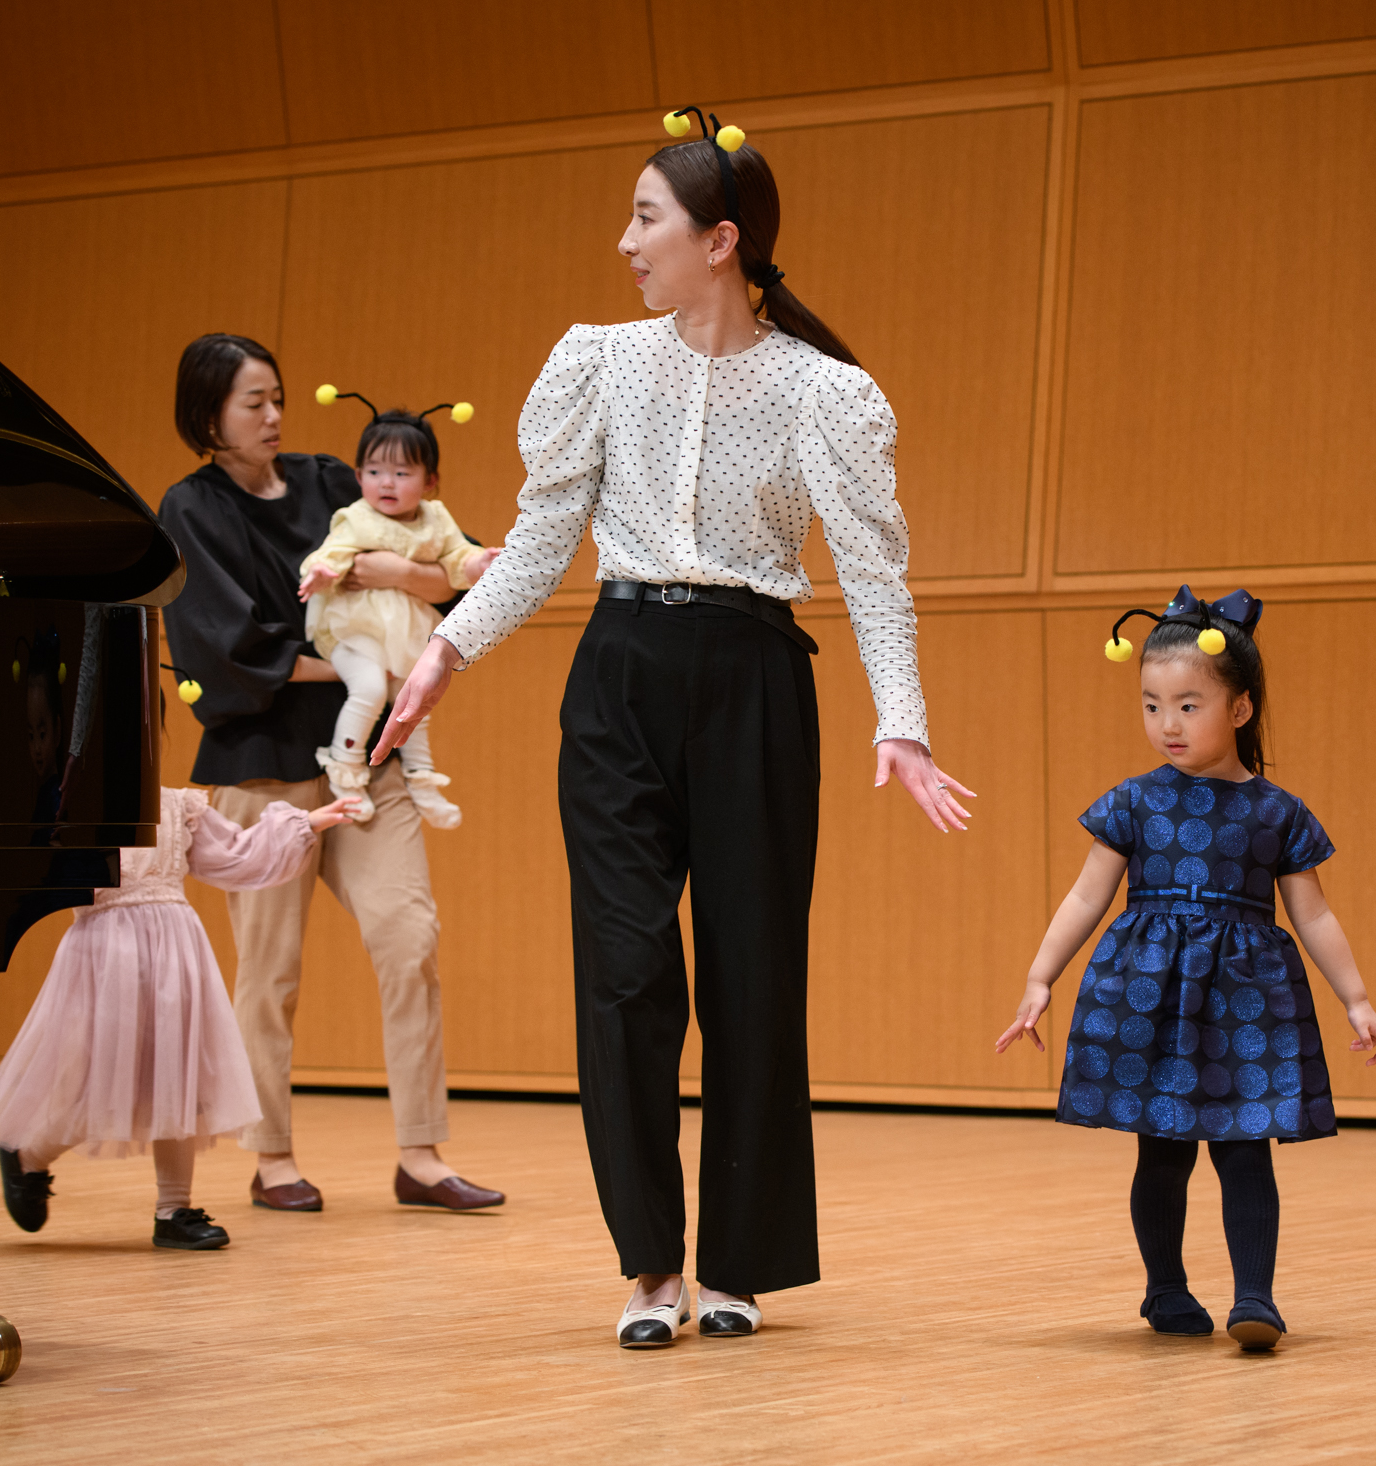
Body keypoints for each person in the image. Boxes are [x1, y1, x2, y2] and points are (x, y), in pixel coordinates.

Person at [374, 107, 973, 1348]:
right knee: (629, 968)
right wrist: (444, 649)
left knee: (751, 978)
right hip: (620, 676)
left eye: (645, 216)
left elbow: (872, 571)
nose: (624, 240)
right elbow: (543, 537)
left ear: (721, 240)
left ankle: (737, 1264)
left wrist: (899, 721)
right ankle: (650, 1264)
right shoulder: (596, 360)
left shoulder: (826, 392)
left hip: (755, 678)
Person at [995, 586, 1376, 1351]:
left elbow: (1313, 912)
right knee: (1162, 1147)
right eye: (1153, 705)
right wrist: (1038, 977)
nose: (1168, 724)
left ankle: (1256, 1295)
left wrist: (1357, 998)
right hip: (1149, 992)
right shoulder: (1133, 802)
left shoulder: (1277, 812)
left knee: (1244, 1142)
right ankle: (1165, 1286)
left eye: (1189, 705)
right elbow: (1088, 895)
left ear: (1241, 709)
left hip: (1246, 1000)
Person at [158, 333, 504, 1214]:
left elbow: (441, 563)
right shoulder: (190, 509)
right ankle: (270, 1155)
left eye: (277, 396)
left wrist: (387, 573)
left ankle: (420, 1156)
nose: (274, 415)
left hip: (368, 764)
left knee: (409, 938)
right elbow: (225, 645)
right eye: (253, 402)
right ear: (208, 415)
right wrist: (364, 664)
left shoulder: (326, 481)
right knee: (268, 970)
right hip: (264, 766)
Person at [0, 785, 352, 1249]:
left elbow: (235, 854)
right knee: (101, 1076)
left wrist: (307, 824)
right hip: (107, 949)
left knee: (180, 1074)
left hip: (176, 948)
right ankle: (29, 1152)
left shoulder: (177, 805)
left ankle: (174, 1209)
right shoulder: (68, 801)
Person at [295, 392, 498, 829]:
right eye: (374, 472)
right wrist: (322, 573)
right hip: (355, 633)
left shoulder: (436, 519)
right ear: (358, 476)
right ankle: (347, 774)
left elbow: (457, 558)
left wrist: (478, 562)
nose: (386, 483)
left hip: (403, 633)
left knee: (415, 702)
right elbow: (332, 554)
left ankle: (422, 780)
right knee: (367, 689)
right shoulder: (356, 517)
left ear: (429, 481)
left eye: (401, 473)